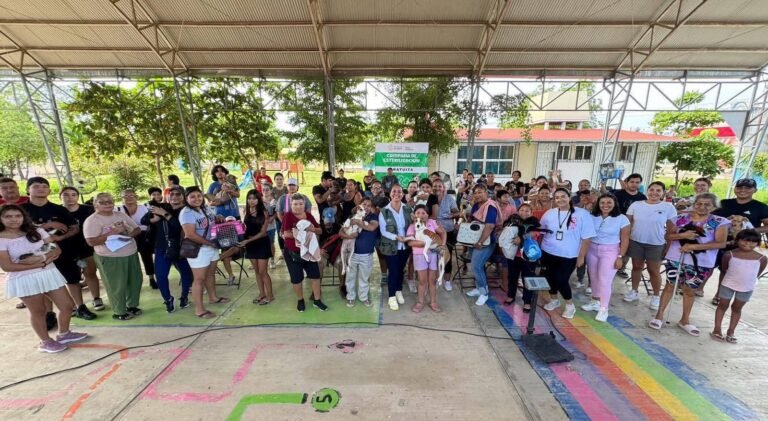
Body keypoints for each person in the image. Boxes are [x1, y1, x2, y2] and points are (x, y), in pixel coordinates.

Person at [0, 204, 88, 353]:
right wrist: (40, 263)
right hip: (24, 279)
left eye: (17, 216)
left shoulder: (36, 231)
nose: (14, 220)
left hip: (49, 273)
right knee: (39, 311)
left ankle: (64, 334)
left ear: (23, 217)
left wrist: (40, 259)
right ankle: (45, 342)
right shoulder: (1, 239)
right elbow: (7, 266)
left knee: (67, 305)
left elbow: (55, 249)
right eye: (8, 216)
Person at [649, 193, 729, 336]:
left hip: (701, 263)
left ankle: (685, 320)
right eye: (699, 204)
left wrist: (694, 247)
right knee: (670, 285)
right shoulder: (680, 219)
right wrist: (683, 236)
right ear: (694, 204)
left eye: (707, 205)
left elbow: (721, 243)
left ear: (714, 207)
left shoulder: (719, 221)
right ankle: (659, 315)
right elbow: (668, 236)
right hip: (676, 258)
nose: (702, 207)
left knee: (690, 290)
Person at [23, 177, 97, 321]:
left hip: (64, 252)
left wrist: (60, 238)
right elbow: (16, 230)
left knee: (73, 280)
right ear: (28, 190)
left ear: (49, 190)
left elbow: (74, 228)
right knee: (44, 284)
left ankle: (80, 307)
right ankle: (49, 315)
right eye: (36, 186)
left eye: (44, 186)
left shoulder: (59, 209)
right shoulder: (22, 211)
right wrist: (46, 226)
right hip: (37, 254)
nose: (41, 189)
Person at [83, 192, 143, 321]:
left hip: (130, 252)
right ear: (95, 204)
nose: (107, 204)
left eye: (110, 201)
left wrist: (128, 235)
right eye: (102, 202)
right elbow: (91, 241)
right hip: (110, 257)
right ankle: (119, 311)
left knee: (135, 281)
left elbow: (137, 229)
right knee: (116, 285)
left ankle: (132, 306)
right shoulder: (92, 220)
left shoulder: (120, 214)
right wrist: (112, 233)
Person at [710, 178, 768, 304]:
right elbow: (710, 220)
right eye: (740, 187)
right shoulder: (724, 203)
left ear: (755, 190)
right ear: (735, 189)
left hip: (742, 245)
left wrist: (751, 230)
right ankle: (697, 289)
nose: (743, 190)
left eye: (747, 188)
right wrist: (725, 221)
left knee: (727, 270)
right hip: (719, 241)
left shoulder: (760, 207)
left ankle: (720, 295)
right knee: (708, 266)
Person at [540, 188, 595, 319]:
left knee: (561, 279)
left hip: (569, 254)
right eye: (557, 197)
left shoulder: (582, 214)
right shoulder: (549, 213)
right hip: (548, 251)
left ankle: (570, 305)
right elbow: (541, 232)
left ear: (569, 197)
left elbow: (587, 237)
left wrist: (581, 256)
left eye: (563, 196)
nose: (560, 199)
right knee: (549, 277)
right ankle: (554, 299)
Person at [624, 181, 678, 311]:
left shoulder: (668, 207)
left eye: (658, 190)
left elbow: (672, 229)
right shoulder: (636, 205)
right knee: (636, 266)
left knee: (653, 270)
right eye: (652, 189)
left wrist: (668, 246)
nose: (654, 193)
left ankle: (655, 296)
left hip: (656, 243)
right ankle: (634, 290)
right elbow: (627, 224)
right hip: (636, 241)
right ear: (647, 191)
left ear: (663, 192)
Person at [179, 187, 230, 319]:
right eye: (192, 196)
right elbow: (190, 234)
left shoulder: (205, 208)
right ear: (186, 198)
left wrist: (218, 217)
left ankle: (213, 297)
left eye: (199, 196)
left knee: (210, 274)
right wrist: (208, 243)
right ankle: (199, 309)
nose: (197, 199)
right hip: (199, 249)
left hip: (211, 246)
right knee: (199, 279)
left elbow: (211, 221)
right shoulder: (187, 213)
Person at [141, 186, 193, 313]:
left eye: (178, 194)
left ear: (183, 197)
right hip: (162, 248)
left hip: (180, 247)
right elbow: (143, 220)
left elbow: (177, 226)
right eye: (172, 194)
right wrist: (153, 218)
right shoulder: (162, 207)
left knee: (186, 274)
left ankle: (184, 297)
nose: (174, 197)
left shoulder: (186, 211)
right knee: (161, 276)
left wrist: (164, 214)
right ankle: (168, 299)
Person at [711, 229, 767, 343]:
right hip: (728, 284)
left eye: (752, 242)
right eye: (744, 241)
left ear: (757, 243)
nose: (747, 244)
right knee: (722, 306)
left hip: (746, 288)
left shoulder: (762, 258)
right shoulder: (729, 254)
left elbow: (758, 272)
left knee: (737, 309)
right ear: (737, 241)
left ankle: (731, 331)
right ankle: (717, 329)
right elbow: (725, 268)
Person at [581, 194, 630, 322]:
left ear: (614, 204)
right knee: (594, 277)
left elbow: (625, 239)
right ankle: (595, 301)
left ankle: (604, 308)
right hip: (592, 249)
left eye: (609, 202)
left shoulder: (622, 219)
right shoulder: (593, 216)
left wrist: (620, 257)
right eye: (602, 202)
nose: (605, 205)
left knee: (605, 280)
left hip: (610, 251)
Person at [282, 194, 328, 312]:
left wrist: (311, 229)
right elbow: (285, 234)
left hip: (309, 251)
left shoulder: (308, 215)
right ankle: (300, 300)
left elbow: (320, 230)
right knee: (297, 279)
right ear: (291, 205)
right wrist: (304, 234)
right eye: (295, 204)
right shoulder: (288, 216)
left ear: (304, 204)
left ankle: (317, 300)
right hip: (293, 253)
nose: (298, 207)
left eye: (301, 204)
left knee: (315, 276)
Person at [60, 187, 103, 313]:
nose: (70, 197)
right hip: (66, 250)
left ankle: (96, 298)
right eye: (66, 195)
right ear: (60, 197)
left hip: (86, 248)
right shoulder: (58, 211)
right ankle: (79, 305)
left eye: (74, 195)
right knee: (72, 279)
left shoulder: (88, 210)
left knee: (90, 273)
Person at [406, 204, 447, 313]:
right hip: (419, 256)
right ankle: (420, 302)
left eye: (423, 213)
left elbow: (443, 232)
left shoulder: (432, 223)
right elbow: (410, 242)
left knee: (432, 280)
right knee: (422, 280)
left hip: (433, 255)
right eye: (418, 213)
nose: (421, 215)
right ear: (414, 216)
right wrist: (426, 243)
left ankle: (433, 302)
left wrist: (442, 245)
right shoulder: (412, 226)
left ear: (428, 215)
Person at [378, 184, 412, 311]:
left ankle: (398, 291)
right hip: (391, 247)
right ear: (390, 193)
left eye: (399, 191)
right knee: (393, 271)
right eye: (394, 191)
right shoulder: (384, 211)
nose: (396, 194)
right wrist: (397, 237)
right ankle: (391, 297)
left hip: (405, 246)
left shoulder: (408, 209)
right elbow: (383, 231)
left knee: (400, 269)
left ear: (402, 194)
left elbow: (412, 225)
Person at [465, 184, 500, 306]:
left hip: (485, 242)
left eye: (480, 192)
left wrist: (480, 241)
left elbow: (489, 226)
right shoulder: (476, 205)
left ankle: (484, 293)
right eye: (475, 193)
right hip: (473, 240)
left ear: (486, 192)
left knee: (476, 266)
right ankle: (479, 288)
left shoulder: (491, 207)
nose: (477, 195)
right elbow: (473, 221)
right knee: (479, 266)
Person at [115, 189, 156, 289]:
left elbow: (152, 221)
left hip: (144, 236)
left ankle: (151, 278)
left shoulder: (144, 208)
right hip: (126, 236)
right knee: (129, 260)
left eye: (131, 196)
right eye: (126, 196)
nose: (129, 198)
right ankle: (131, 282)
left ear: (136, 197)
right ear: (122, 198)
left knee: (147, 257)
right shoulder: (118, 210)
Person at [342, 197, 379, 307]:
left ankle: (363, 297)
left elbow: (372, 228)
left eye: (369, 205)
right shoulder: (351, 216)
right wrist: (348, 235)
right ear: (359, 206)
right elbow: (342, 231)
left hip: (366, 254)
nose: (366, 207)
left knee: (364, 277)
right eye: (364, 204)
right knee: (350, 277)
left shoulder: (373, 217)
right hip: (351, 254)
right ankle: (350, 297)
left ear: (371, 207)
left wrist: (358, 222)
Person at [503, 204, 541, 312]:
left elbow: (534, 233)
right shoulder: (513, 221)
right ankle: (511, 295)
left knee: (527, 279)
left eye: (527, 210)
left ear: (531, 212)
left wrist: (522, 237)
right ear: (518, 211)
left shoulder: (534, 222)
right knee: (512, 277)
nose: (524, 212)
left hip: (528, 256)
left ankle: (527, 301)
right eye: (522, 210)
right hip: (514, 255)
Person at [238, 189, 274, 305]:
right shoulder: (246, 211)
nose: (251, 201)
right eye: (249, 198)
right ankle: (261, 293)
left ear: (259, 199)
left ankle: (270, 295)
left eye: (254, 198)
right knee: (257, 272)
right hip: (250, 244)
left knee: (263, 272)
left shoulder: (264, 212)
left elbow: (263, 232)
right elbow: (247, 227)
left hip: (261, 243)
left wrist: (247, 240)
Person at [434, 178, 460, 290]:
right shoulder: (429, 198)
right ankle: (435, 279)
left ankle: (447, 281)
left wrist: (454, 216)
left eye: (440, 186)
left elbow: (457, 212)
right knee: (433, 257)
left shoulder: (449, 198)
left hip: (448, 231)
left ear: (444, 188)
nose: (437, 188)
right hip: (433, 233)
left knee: (447, 257)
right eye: (435, 186)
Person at [261, 183, 280, 268]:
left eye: (267, 189)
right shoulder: (259, 200)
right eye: (263, 189)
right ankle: (262, 260)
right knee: (261, 244)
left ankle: (272, 260)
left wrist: (273, 217)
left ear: (271, 190)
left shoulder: (274, 201)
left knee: (271, 243)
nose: (265, 191)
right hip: (261, 226)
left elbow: (277, 212)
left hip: (270, 226)